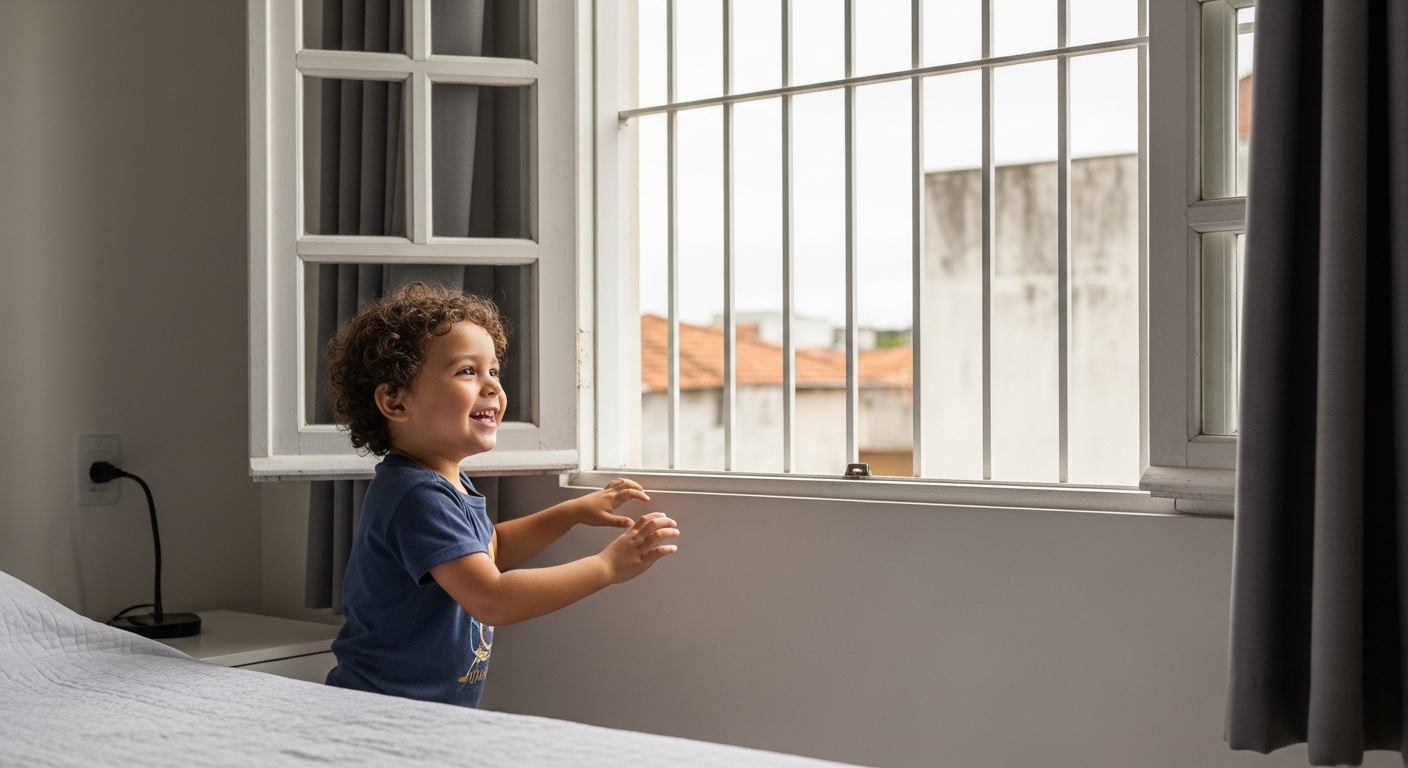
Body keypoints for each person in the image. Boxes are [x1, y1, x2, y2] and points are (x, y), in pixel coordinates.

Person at [321, 282, 679, 707]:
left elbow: (493, 547)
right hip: (379, 710)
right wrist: (607, 566)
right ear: (395, 402)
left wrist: (571, 512)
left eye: (493, 371)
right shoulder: (415, 496)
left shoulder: (445, 484)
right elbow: (491, 599)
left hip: (421, 713)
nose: (491, 386)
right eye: (466, 371)